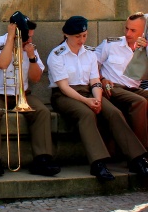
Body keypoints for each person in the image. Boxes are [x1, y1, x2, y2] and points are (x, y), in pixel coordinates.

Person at [48, 15, 148, 182]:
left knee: (114, 112)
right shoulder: (57, 54)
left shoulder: (89, 54)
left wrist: (98, 100)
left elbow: (95, 81)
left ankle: (137, 158)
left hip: (89, 91)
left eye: (84, 36)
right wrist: (87, 102)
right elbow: (64, 87)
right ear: (66, 35)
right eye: (77, 36)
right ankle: (98, 163)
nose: (81, 40)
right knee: (86, 114)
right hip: (65, 95)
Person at [0, 11, 60, 177]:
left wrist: (31, 57)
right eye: (26, 36)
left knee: (42, 112)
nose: (29, 40)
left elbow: (36, 78)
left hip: (21, 94)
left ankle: (42, 159)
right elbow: (2, 63)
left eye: (31, 36)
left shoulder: (30, 47)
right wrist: (10, 40)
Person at [95, 12, 148, 148]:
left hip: (134, 89)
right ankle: (141, 152)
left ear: (143, 31)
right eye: (126, 28)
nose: (128, 33)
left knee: (140, 98)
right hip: (113, 87)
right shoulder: (111, 44)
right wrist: (102, 78)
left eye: (133, 30)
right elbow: (90, 64)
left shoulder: (145, 48)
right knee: (140, 102)